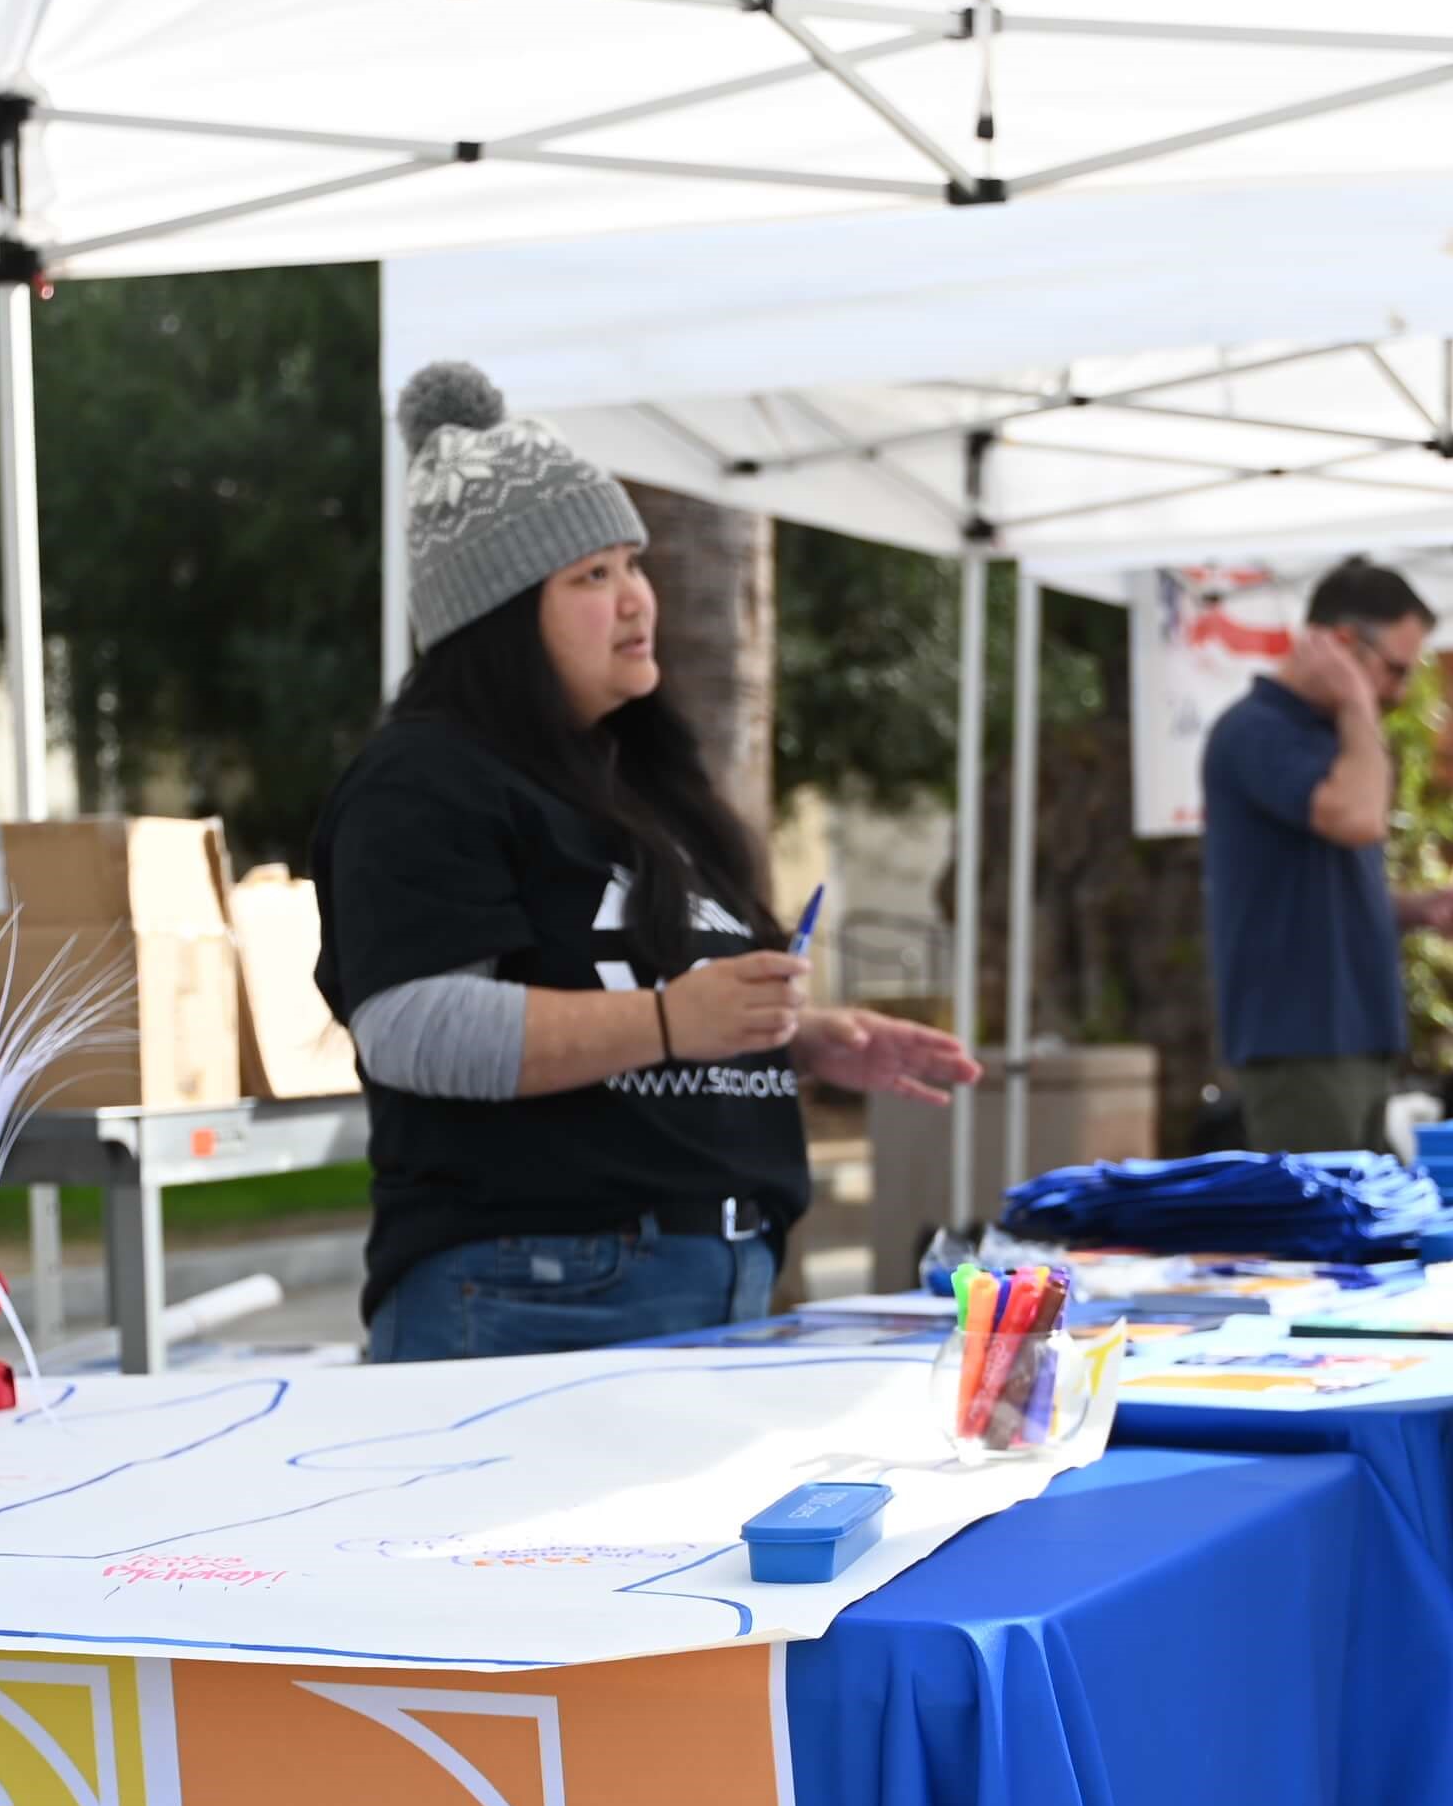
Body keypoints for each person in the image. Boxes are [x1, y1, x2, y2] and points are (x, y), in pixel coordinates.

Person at [310, 362, 974, 1359]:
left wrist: (789, 1036)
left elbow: (624, 986)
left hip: (714, 1279)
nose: (636, 600)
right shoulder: (425, 778)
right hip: (535, 1297)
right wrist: (670, 1021)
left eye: (634, 563)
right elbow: (413, 1023)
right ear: (495, 612)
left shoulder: (643, 773)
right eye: (591, 576)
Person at [1199, 555, 1453, 1152]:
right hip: (1301, 1041)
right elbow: (1359, 818)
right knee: (1327, 1237)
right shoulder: (1257, 731)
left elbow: (1315, 890)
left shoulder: (1327, 737)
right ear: (1340, 643)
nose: (1400, 691)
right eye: (1395, 670)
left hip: (1351, 1038)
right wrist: (1357, 703)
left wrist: (1420, 910)